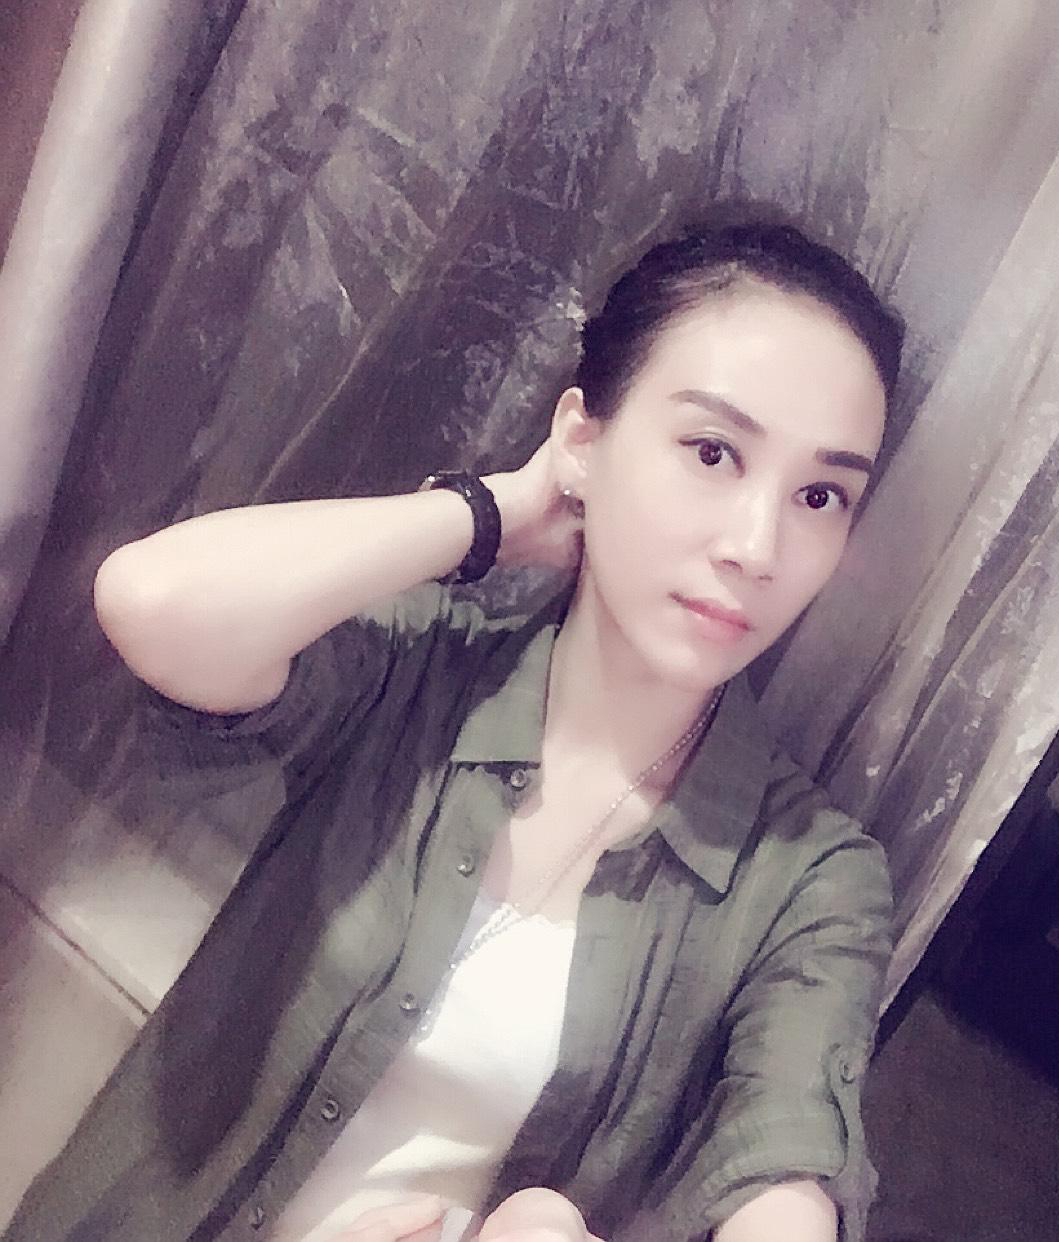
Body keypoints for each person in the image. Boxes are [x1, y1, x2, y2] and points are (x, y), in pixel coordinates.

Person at [4, 211, 903, 1242]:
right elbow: (155, 603)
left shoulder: (811, 876)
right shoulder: (425, 670)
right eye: (712, 451)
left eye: (821, 495)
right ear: (583, 440)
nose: (758, 546)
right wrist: (494, 512)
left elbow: (786, 1174)